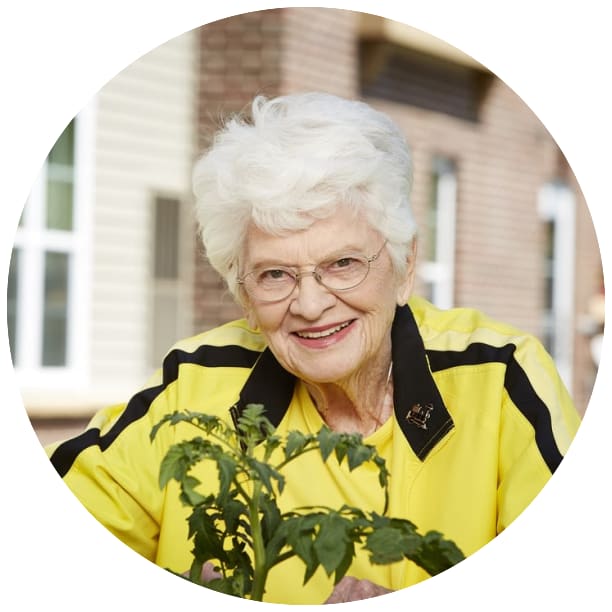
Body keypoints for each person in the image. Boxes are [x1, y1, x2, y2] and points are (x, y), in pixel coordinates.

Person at [46, 92, 581, 604]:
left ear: (404, 267)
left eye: (342, 264)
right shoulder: (192, 384)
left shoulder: (501, 380)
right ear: (243, 295)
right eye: (275, 274)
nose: (309, 303)